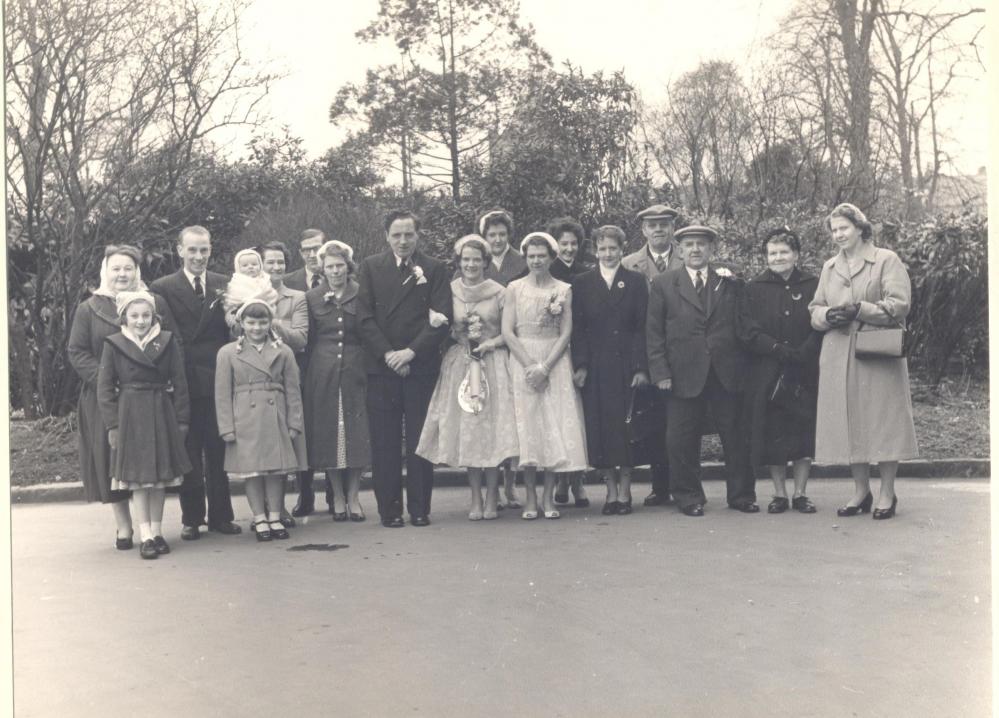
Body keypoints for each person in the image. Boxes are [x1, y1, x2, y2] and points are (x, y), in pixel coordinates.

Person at [809, 203, 918, 520]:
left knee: (882, 423)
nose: (838, 234)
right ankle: (861, 491)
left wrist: (861, 309)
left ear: (859, 227)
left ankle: (887, 493)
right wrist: (828, 314)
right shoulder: (830, 267)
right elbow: (815, 308)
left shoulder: (886, 260)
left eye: (843, 227)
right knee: (850, 423)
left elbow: (900, 305)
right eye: (834, 230)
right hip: (838, 353)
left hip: (875, 353)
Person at [646, 225, 758, 517]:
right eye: (689, 244)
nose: (695, 249)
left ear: (711, 250)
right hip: (682, 373)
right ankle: (688, 496)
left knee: (735, 436)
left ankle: (741, 495)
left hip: (726, 371)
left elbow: (743, 324)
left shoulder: (730, 282)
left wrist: (745, 369)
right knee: (680, 439)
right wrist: (661, 373)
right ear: (680, 250)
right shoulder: (663, 284)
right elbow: (654, 333)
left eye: (702, 244)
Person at [68, 245, 175, 549]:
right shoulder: (89, 309)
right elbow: (77, 351)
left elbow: (170, 343)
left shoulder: (154, 303)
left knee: (147, 462)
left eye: (128, 268)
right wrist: (107, 378)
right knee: (111, 458)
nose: (122, 274)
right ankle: (124, 526)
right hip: (106, 397)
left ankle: (151, 530)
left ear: (137, 272)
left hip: (146, 396)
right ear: (105, 271)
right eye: (115, 268)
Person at [356, 209, 452, 528]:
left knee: (419, 441)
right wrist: (388, 354)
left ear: (418, 235)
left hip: (419, 367)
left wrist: (410, 353)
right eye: (396, 235)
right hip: (382, 369)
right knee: (384, 443)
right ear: (386, 236)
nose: (403, 241)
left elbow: (440, 318)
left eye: (409, 234)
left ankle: (420, 508)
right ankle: (390, 510)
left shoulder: (436, 269)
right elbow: (364, 318)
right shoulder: (370, 267)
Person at [417, 235, 519, 520]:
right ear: (459, 262)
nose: (471, 264)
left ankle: (491, 497)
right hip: (462, 363)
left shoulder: (500, 292)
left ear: (486, 262)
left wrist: (491, 344)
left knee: (492, 433)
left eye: (476, 259)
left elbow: (510, 329)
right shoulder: (450, 291)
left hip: (493, 363)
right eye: (466, 260)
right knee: (470, 431)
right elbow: (443, 325)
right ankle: (475, 497)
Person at [150, 226, 241, 539]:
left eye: (204, 250)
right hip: (185, 379)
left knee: (218, 449)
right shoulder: (162, 287)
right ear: (179, 250)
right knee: (189, 450)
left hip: (218, 377)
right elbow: (170, 337)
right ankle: (192, 519)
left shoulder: (223, 284)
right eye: (192, 250)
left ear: (210, 250)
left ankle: (221, 516)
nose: (199, 256)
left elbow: (231, 330)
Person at [96, 290, 191, 559]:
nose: (140, 321)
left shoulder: (167, 341)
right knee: (139, 480)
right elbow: (104, 389)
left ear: (154, 316)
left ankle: (158, 532)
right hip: (130, 416)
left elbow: (180, 382)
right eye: (134, 315)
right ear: (124, 317)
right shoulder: (113, 343)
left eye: (146, 315)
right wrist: (113, 424)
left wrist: (182, 419)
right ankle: (145, 535)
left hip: (161, 411)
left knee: (159, 479)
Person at [502, 232, 588, 520]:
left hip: (555, 361)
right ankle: (529, 499)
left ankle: (548, 498)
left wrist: (546, 367)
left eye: (541, 256)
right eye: (531, 256)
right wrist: (529, 365)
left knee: (552, 429)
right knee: (528, 429)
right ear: (525, 258)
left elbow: (566, 331)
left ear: (551, 258)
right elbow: (507, 331)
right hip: (522, 359)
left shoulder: (564, 289)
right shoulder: (514, 288)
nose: (536, 261)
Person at [739, 228, 822, 514]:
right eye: (772, 253)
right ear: (765, 257)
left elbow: (821, 322)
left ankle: (800, 493)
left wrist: (805, 351)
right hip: (768, 370)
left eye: (784, 252)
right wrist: (777, 350)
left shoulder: (814, 284)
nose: (778, 257)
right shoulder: (753, 288)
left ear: (796, 255)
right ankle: (779, 494)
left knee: (802, 431)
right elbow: (748, 331)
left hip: (805, 368)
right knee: (773, 432)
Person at [571, 225, 649, 515]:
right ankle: (610, 491)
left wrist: (641, 367)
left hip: (627, 366)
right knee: (602, 430)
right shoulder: (582, 283)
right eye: (602, 248)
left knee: (625, 429)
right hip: (596, 368)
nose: (608, 254)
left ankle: (626, 491)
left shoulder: (636, 282)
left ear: (622, 249)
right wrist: (580, 365)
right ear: (594, 250)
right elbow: (577, 329)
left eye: (613, 248)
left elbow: (642, 328)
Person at [215, 299, 306, 541]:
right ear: (241, 323)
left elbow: (293, 390)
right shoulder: (227, 353)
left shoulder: (283, 351)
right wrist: (226, 427)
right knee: (252, 472)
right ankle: (259, 518)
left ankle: (275, 515)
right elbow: (222, 394)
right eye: (251, 322)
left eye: (263, 322)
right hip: (244, 418)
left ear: (270, 323)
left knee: (276, 471)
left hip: (276, 415)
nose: (257, 328)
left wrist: (294, 422)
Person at [303, 240, 372, 522]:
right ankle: (338, 497)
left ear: (348, 266)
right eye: (330, 266)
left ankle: (354, 496)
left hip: (357, 371)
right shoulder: (312, 297)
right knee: (329, 433)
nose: (335, 271)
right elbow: (308, 341)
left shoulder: (362, 293)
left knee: (356, 434)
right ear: (323, 268)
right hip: (323, 372)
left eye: (339, 265)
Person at [622, 204, 683, 508]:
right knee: (655, 423)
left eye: (664, 224)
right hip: (646, 352)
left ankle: (683, 484)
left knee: (682, 422)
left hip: (682, 353)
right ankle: (660, 486)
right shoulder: (629, 264)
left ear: (673, 228)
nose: (658, 230)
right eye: (652, 225)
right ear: (643, 230)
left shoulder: (687, 259)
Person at [478, 208, 526, 510]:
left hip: (514, 349)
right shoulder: (476, 263)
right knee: (488, 420)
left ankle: (510, 484)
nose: (497, 239)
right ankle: (491, 487)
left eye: (501, 234)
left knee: (513, 420)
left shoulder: (521, 264)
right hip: (483, 351)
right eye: (491, 235)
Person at [261, 242, 309, 525]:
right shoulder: (246, 293)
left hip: (286, 373)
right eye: (270, 262)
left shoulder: (297, 297)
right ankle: (264, 508)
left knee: (285, 440)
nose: (276, 267)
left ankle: (280, 508)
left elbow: (301, 338)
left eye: (280, 262)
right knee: (262, 442)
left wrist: (270, 319)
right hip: (255, 377)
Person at [546, 216, 592, 508]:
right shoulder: (543, 271)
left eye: (574, 243)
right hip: (551, 353)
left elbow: (587, 323)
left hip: (578, 351)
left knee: (577, 418)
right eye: (564, 243)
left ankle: (578, 482)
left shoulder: (586, 274)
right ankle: (561, 480)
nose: (570, 248)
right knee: (557, 418)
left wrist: (583, 362)